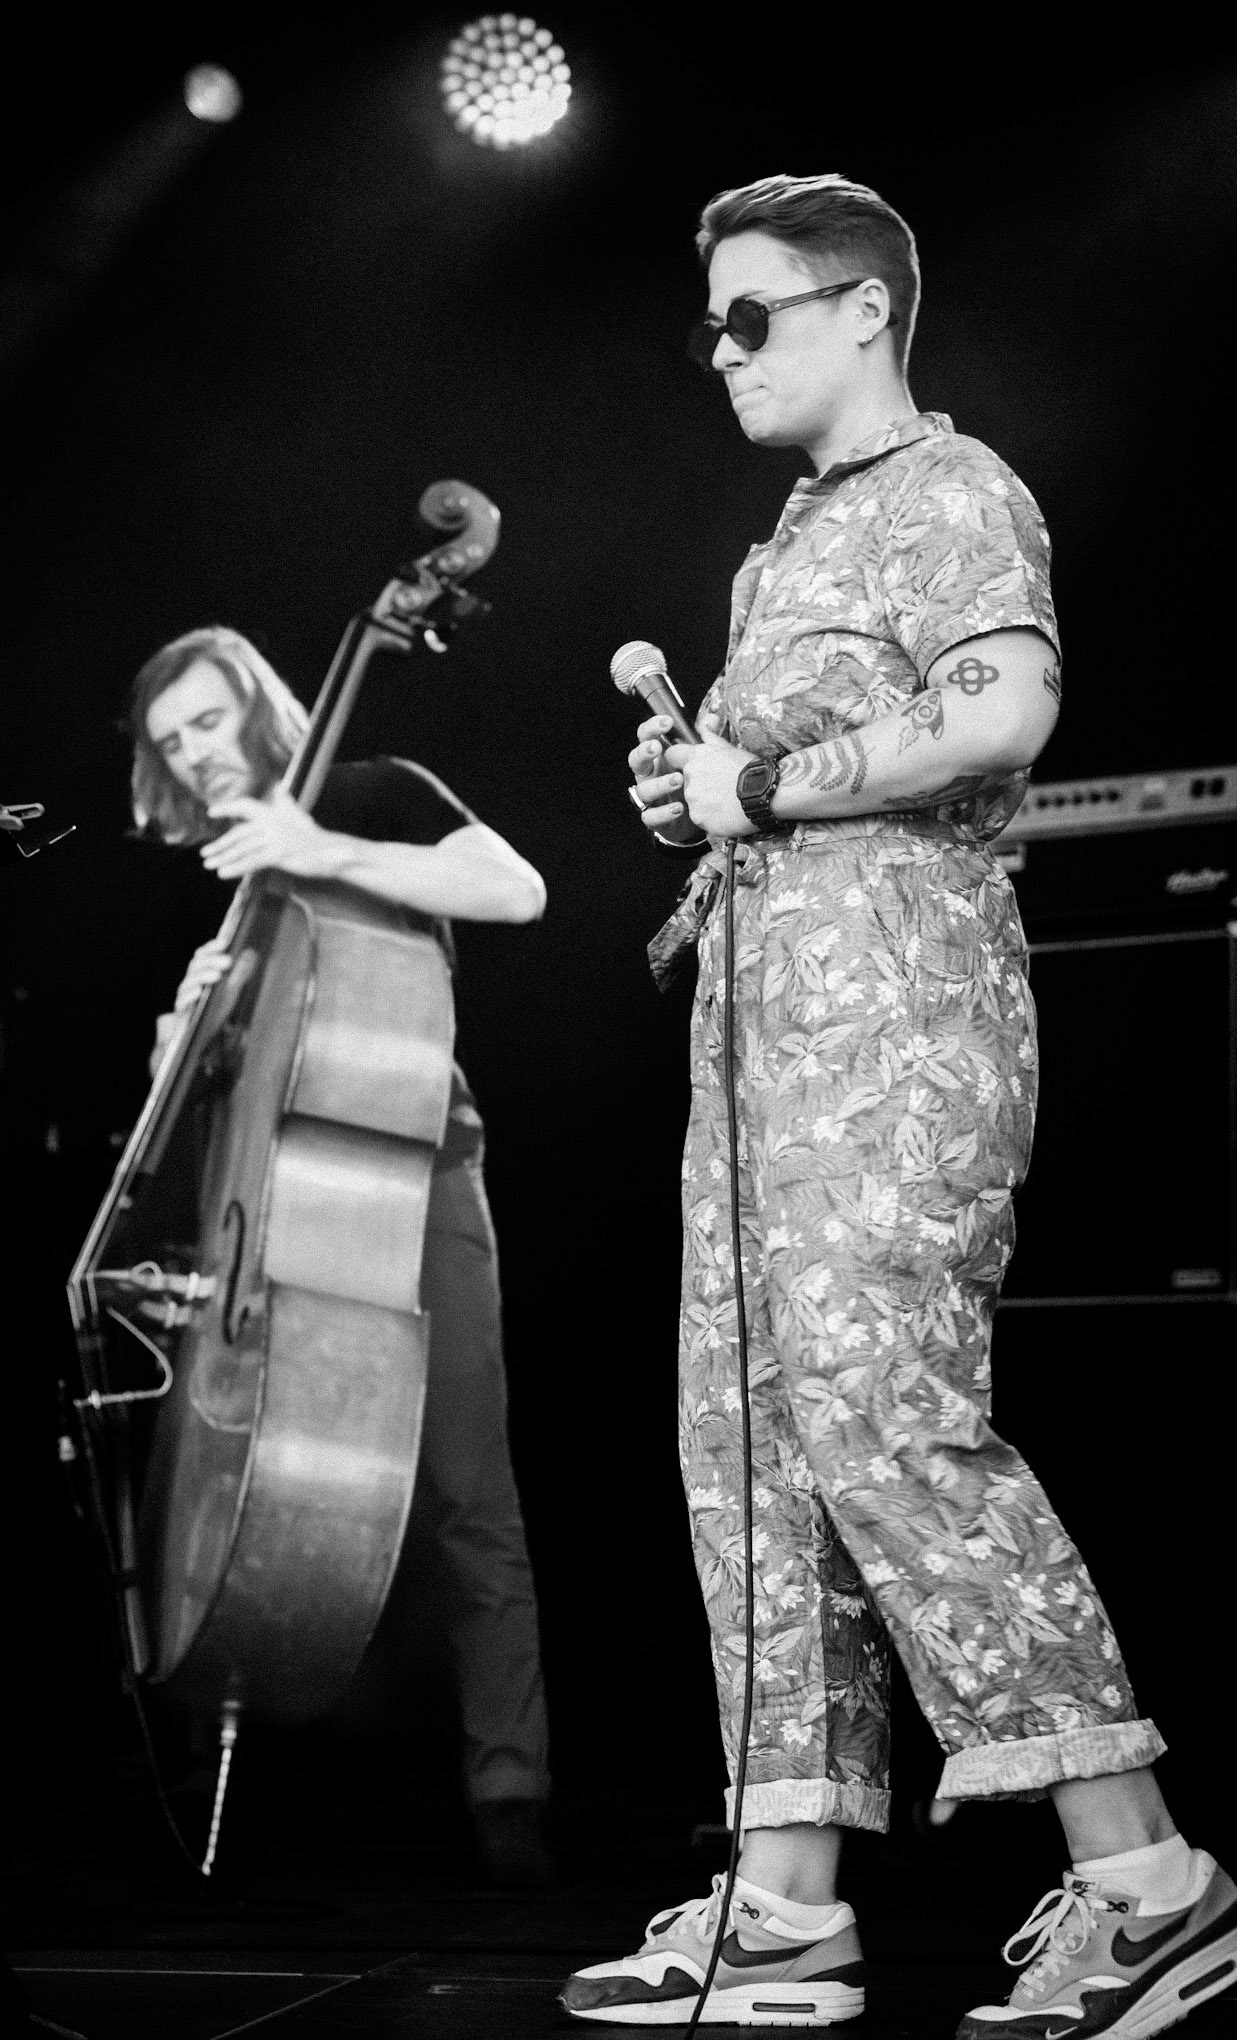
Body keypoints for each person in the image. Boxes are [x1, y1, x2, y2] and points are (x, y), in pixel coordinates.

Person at [560, 175, 1235, 2033]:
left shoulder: (957, 491)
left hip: (902, 1048)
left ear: (864, 309)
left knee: (888, 1423)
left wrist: (768, 791)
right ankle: (783, 1912)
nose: (720, 351)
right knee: (756, 1453)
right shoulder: (780, 548)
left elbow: (1003, 715)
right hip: (759, 1052)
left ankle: (1152, 1880)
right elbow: (787, 789)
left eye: (751, 314)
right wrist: (707, 785)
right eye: (709, 322)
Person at [128, 624, 553, 1884]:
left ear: (258, 707)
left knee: (473, 1495)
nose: (193, 754)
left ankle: (512, 1795)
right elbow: (241, 1108)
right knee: (274, 1498)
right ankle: (255, 1768)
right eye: (168, 742)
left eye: (204, 722)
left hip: (416, 1173)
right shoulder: (239, 886)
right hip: (287, 1223)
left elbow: (515, 885)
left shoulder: (366, 792)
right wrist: (184, 1045)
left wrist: (320, 847)